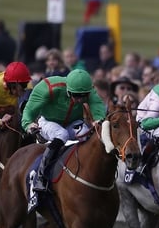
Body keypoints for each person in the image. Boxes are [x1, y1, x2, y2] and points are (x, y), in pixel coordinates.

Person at [22, 69, 105, 200]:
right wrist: (28, 124)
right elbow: (29, 109)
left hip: (73, 122)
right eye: (76, 96)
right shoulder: (48, 87)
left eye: (83, 97)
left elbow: (98, 109)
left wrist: (98, 120)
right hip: (48, 121)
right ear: (68, 90)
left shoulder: (89, 91)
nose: (79, 100)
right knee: (62, 134)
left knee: (85, 133)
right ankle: (40, 176)